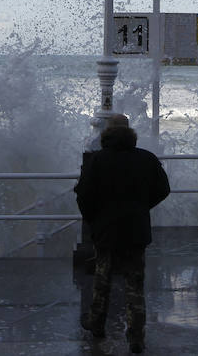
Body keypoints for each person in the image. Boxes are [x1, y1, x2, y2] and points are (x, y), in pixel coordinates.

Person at [75, 114, 170, 354]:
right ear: (130, 133)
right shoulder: (146, 158)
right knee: (134, 282)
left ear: (106, 133)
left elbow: (84, 195)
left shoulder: (98, 160)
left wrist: (93, 218)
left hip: (106, 229)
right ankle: (136, 335)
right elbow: (163, 189)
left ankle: (97, 323)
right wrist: (141, 206)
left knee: (102, 278)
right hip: (136, 229)